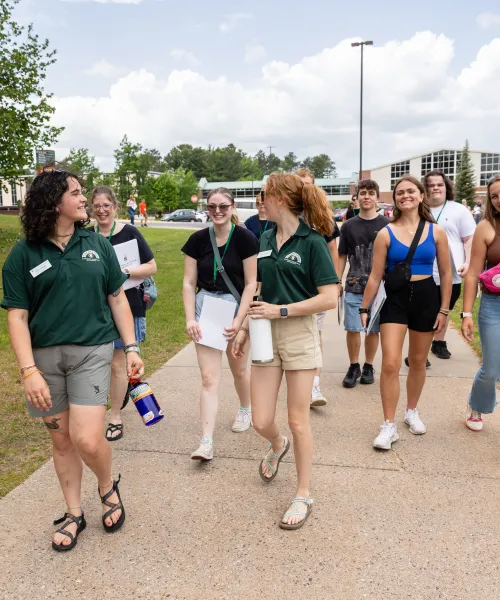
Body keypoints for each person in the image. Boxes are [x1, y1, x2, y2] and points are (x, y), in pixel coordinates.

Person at [1, 170, 144, 551]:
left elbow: (117, 299)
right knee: (62, 441)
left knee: (85, 437)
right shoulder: (24, 253)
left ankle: (106, 485)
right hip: (44, 360)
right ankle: (73, 512)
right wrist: (28, 371)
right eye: (77, 194)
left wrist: (131, 347)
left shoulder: (97, 243)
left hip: (92, 351)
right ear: (54, 203)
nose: (85, 200)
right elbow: (17, 316)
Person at [233, 173, 339, 530]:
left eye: (266, 195)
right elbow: (259, 287)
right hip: (264, 331)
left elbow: (329, 297)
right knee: (261, 419)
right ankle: (277, 445)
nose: (261, 200)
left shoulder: (312, 242)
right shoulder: (265, 236)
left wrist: (281, 311)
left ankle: (303, 493)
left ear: (282, 198)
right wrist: (244, 327)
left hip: (298, 331)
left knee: (298, 419)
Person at [360, 175, 451, 450]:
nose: (405, 196)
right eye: (400, 193)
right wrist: (364, 307)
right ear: (395, 199)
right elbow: (375, 276)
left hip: (426, 298)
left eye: (411, 191)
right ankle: (388, 425)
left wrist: (445, 310)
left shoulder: (436, 232)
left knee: (418, 360)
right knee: (389, 362)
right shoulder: (385, 234)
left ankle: (411, 411)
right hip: (395, 300)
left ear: (421, 196)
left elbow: (446, 274)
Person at [182, 187, 258, 460]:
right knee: (208, 378)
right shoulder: (197, 240)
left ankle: (246, 408)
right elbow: (189, 283)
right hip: (207, 309)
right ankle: (206, 441)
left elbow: (251, 284)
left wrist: (240, 321)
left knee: (239, 369)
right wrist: (191, 317)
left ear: (232, 207)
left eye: (223, 206)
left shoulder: (246, 239)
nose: (217, 211)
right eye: (212, 206)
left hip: (235, 308)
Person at [91, 186, 157, 441]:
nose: (102, 210)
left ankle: (115, 416)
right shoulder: (86, 236)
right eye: (97, 205)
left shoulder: (129, 232)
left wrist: (124, 273)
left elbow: (152, 266)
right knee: (102, 363)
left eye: (106, 205)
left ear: (115, 207)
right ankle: (117, 396)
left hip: (127, 305)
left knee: (119, 363)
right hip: (96, 310)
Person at [416, 171, 475, 362]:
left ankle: (438, 342)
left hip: (451, 272)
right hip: (423, 271)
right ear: (425, 189)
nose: (435, 188)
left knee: (445, 307)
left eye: (439, 185)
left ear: (446, 187)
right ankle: (420, 350)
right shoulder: (418, 208)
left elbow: (469, 239)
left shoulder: (458, 210)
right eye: (431, 185)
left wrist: (467, 262)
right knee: (424, 311)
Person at [294, 167, 340, 406]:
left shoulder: (322, 217)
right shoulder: (285, 215)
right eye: (300, 184)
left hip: (316, 287)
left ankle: (313, 386)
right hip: (291, 286)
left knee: (313, 332)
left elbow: (334, 251)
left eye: (308, 184)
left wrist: (336, 283)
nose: (305, 188)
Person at [338, 179, 390, 388]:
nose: (366, 196)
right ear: (357, 197)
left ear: (378, 197)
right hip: (354, 284)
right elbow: (342, 255)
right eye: (362, 193)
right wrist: (337, 280)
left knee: (373, 329)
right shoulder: (349, 225)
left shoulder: (387, 224)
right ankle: (354, 366)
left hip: (379, 288)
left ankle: (369, 365)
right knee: (353, 328)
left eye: (370, 193)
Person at [462, 174, 500, 432]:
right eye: (494, 196)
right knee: (491, 368)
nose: (498, 200)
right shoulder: (486, 227)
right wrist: (465, 313)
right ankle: (477, 404)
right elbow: (474, 272)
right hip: (493, 305)